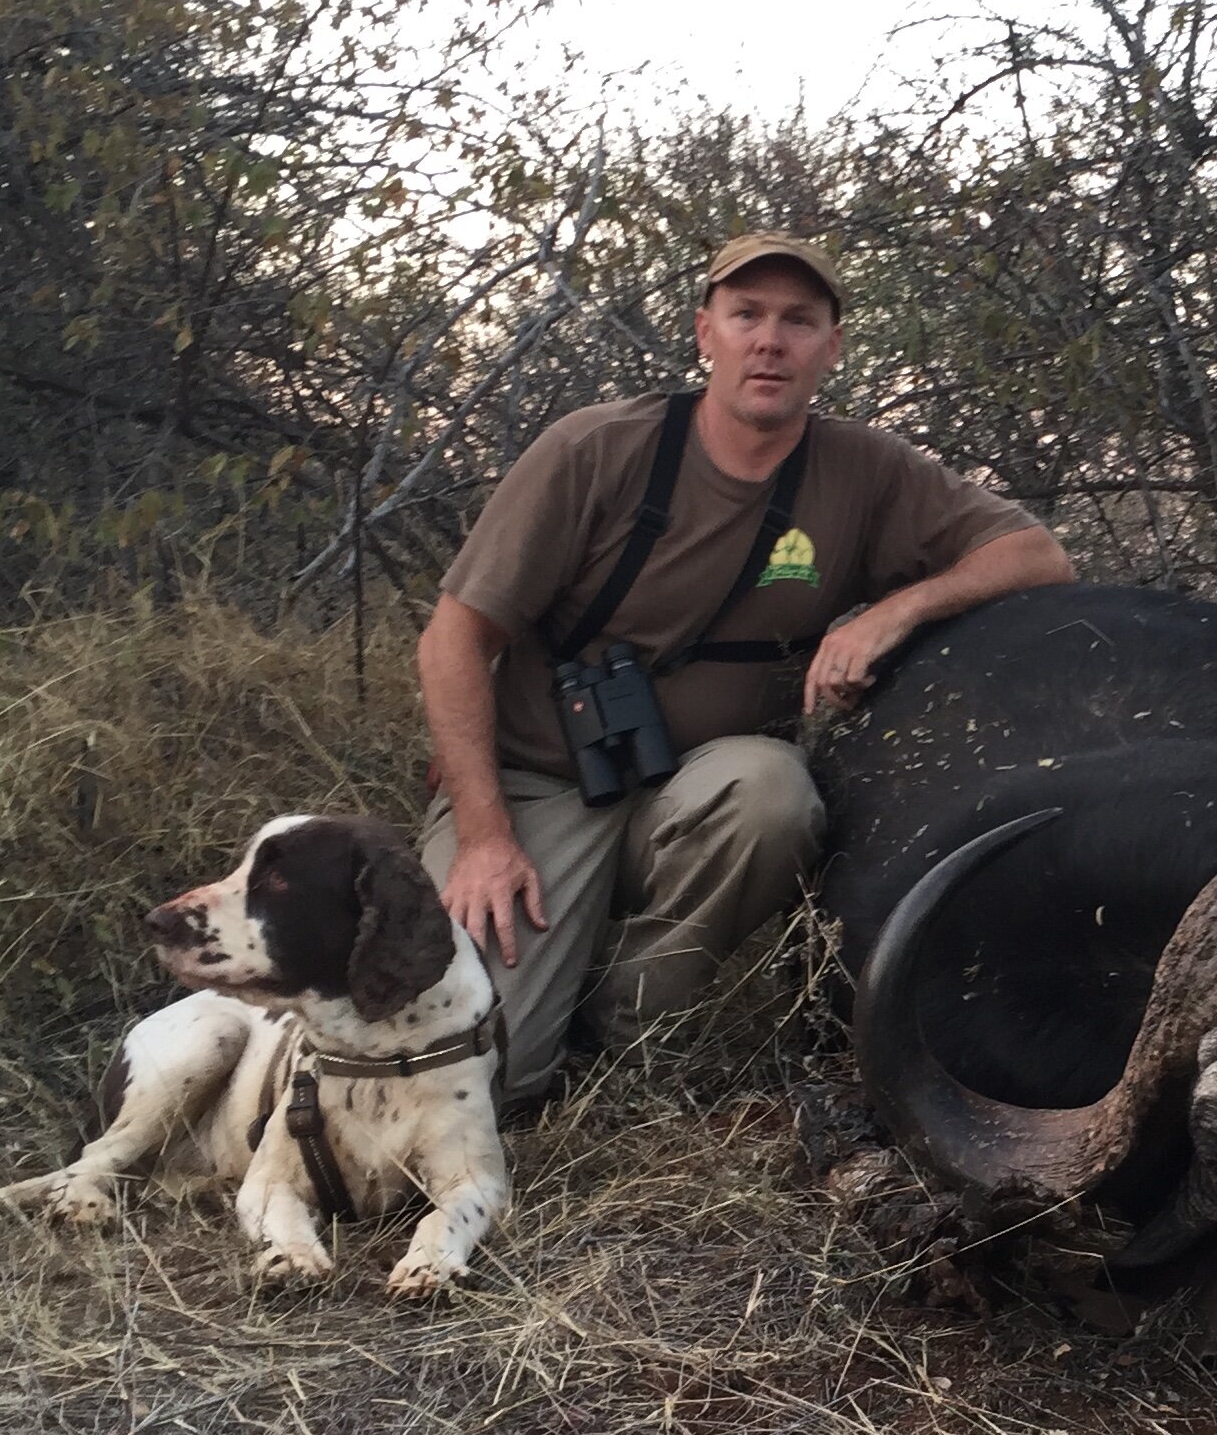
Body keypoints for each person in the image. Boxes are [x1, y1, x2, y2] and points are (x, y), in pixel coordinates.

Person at [417, 231, 1074, 1105]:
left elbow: (1037, 557)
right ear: (705, 332)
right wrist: (485, 836)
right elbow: (453, 640)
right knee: (481, 1078)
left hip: (701, 784)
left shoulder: (864, 469)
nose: (771, 340)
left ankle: (622, 1037)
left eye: (799, 321)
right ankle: (536, 998)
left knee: (775, 794)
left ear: (831, 348)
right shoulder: (592, 450)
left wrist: (894, 609)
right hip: (540, 781)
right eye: (747, 315)